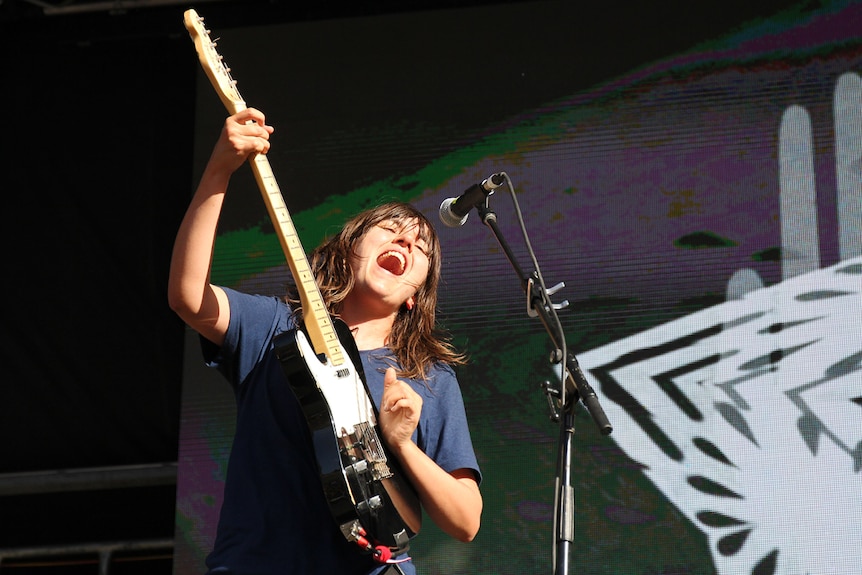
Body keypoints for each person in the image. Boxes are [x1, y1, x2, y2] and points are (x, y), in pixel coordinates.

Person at [168, 107, 483, 575]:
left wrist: (402, 445)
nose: (407, 242)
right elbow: (188, 297)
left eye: (421, 249)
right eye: (391, 231)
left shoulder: (429, 378)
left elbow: (465, 520)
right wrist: (220, 168)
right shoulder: (275, 326)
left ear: (417, 296)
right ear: (348, 249)